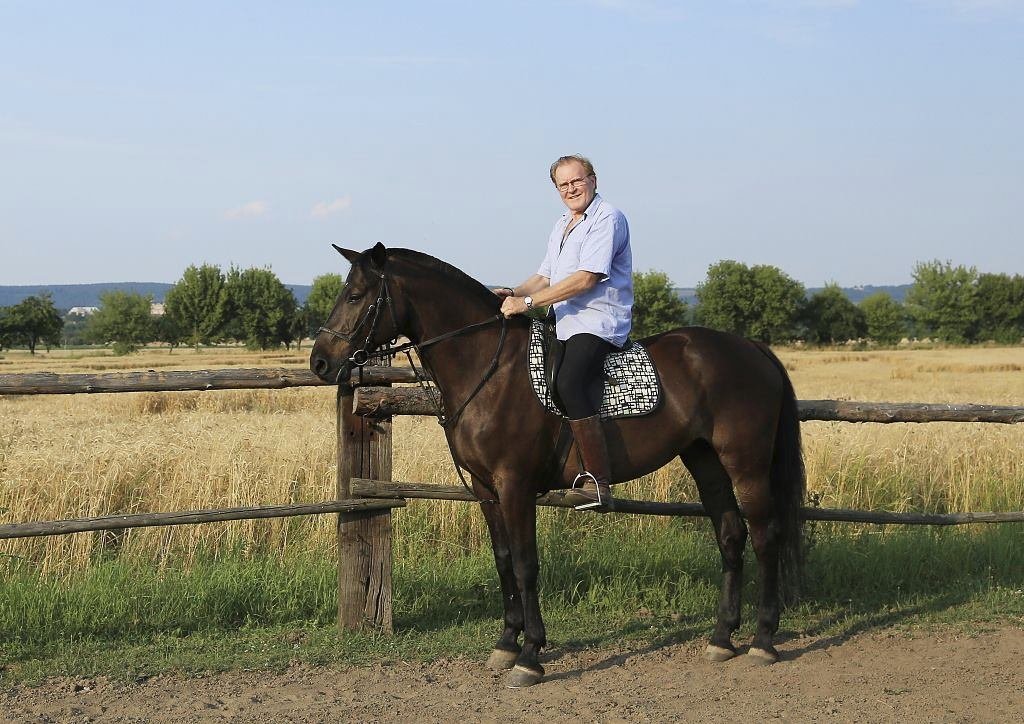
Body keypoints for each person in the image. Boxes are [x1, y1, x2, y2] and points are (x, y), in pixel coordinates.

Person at [495, 154, 633, 510]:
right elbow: (544, 276)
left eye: (577, 180)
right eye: (564, 185)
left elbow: (586, 279)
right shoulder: (562, 224)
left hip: (598, 320)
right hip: (564, 322)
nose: (571, 189)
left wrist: (528, 304)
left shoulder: (608, 218)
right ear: (557, 190)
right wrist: (512, 292)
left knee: (570, 381)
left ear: (593, 179)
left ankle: (598, 482)